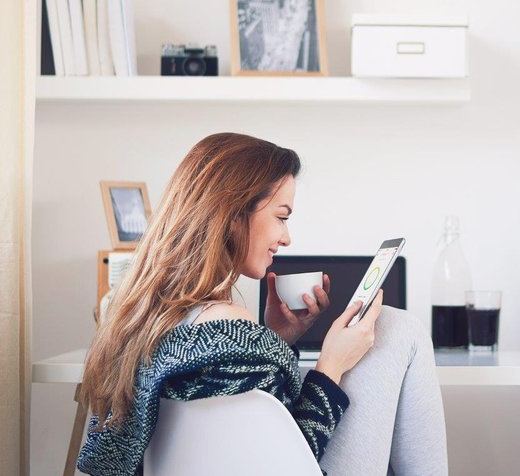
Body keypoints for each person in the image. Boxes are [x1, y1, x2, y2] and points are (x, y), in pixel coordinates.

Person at [77, 133, 448, 476]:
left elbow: (236, 438)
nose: (286, 238)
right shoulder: (230, 327)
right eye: (281, 217)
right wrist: (331, 365)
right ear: (234, 214)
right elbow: (289, 460)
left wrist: (274, 340)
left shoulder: (145, 316)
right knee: (400, 329)